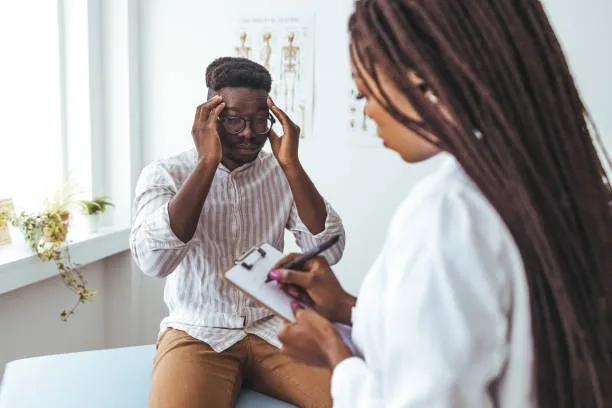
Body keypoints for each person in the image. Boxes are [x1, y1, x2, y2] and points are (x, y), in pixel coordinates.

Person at [269, 1, 612, 407]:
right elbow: (466, 337)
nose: (368, 111)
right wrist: (348, 309)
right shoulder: (562, 188)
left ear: (421, 76)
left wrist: (334, 355)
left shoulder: (450, 214)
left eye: (364, 91)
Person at [130, 56, 345, 408]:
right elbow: (154, 263)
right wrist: (207, 163)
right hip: (197, 332)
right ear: (209, 116)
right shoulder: (165, 174)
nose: (248, 132)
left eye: (260, 120)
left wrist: (292, 166)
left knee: (361, 398)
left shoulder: (281, 171)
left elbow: (330, 251)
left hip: (274, 327)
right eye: (234, 120)